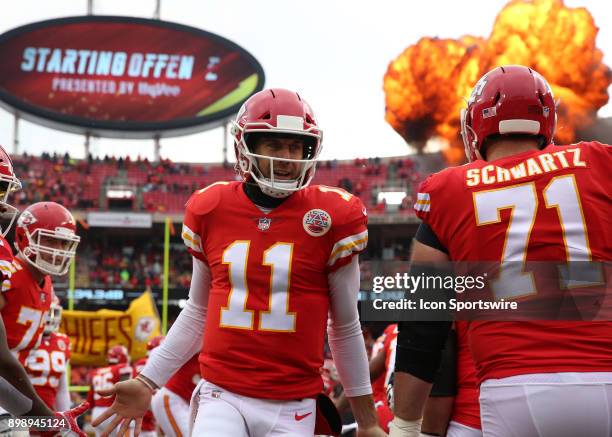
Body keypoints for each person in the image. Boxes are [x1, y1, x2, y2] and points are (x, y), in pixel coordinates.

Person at [93, 88, 386, 437]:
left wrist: (367, 421)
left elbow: (345, 326)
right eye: (274, 145)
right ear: (245, 146)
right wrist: (147, 380)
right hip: (223, 393)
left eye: (295, 146)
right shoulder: (212, 207)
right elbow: (198, 311)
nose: (287, 157)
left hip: (294, 401)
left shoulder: (333, 216)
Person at [390, 65, 612, 437]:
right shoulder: (601, 162)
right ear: (546, 123)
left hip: (514, 385)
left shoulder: (449, 189)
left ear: (476, 125)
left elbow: (424, 323)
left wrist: (405, 424)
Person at [0, 149, 88, 435]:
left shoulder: (46, 287)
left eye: (64, 245)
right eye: (51, 242)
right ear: (25, 238)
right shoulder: (11, 273)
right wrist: (46, 419)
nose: (58, 252)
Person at [23, 295, 72, 411]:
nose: (50, 317)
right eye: (46, 312)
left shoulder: (63, 341)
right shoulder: (23, 337)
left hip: (47, 412)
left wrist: (65, 418)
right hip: (18, 411)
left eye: (53, 312)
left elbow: (62, 388)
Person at [87, 345, 133, 437]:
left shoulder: (97, 371)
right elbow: (127, 391)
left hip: (97, 412)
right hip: (112, 411)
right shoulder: (122, 368)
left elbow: (90, 400)